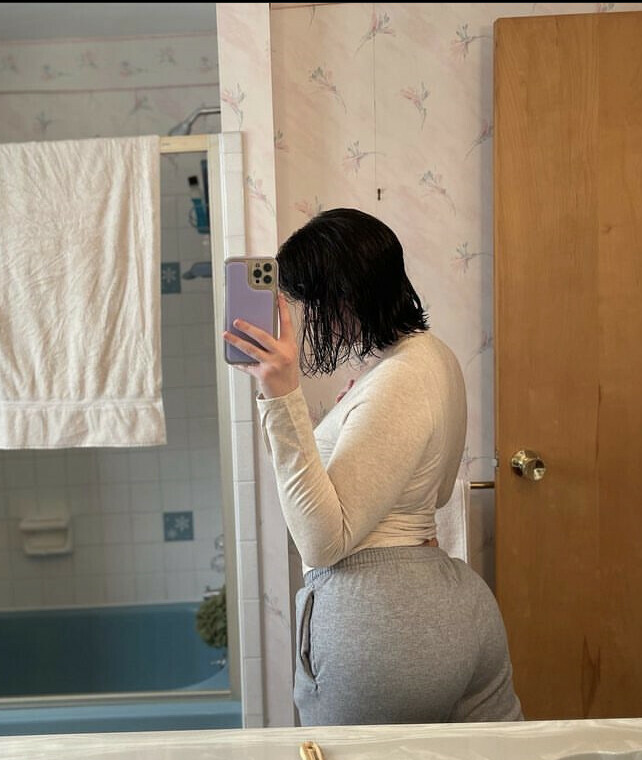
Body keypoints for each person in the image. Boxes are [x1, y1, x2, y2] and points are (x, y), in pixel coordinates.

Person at [222, 208, 523, 725]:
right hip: (454, 610)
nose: (308, 318)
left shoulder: (397, 381)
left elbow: (321, 542)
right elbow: (435, 492)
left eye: (312, 302)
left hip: (382, 627)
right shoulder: (430, 359)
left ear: (344, 296)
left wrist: (281, 392)